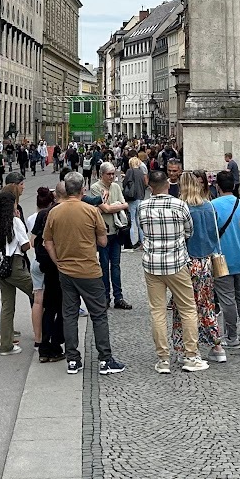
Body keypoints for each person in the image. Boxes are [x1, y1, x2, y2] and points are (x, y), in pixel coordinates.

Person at [43, 171, 124, 375]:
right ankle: (105, 359)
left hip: (66, 271)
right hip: (89, 269)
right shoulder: (90, 210)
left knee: (69, 314)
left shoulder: (54, 212)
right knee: (98, 314)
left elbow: (47, 242)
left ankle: (72, 359)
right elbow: (103, 241)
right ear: (82, 190)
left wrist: (57, 261)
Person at [137, 168, 208, 373]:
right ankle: (191, 355)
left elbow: (142, 229)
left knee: (157, 311)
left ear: (150, 186)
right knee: (187, 309)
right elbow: (189, 231)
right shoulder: (180, 205)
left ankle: (163, 359)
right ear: (168, 185)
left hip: (152, 264)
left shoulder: (143, 207)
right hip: (176, 262)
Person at [173, 171, 224, 365]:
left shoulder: (183, 208)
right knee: (207, 305)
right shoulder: (209, 207)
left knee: (183, 308)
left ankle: (182, 347)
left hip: (186, 261)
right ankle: (216, 345)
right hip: (207, 261)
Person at [0, 185, 34, 356]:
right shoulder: (15, 221)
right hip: (15, 264)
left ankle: (5, 344)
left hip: (1, 266)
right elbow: (25, 245)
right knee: (38, 295)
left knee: (7, 306)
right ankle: (44, 334)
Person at [211, 170, 240, 349]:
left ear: (217, 186)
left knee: (226, 299)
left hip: (221, 259)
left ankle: (231, 336)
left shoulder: (212, 206)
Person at [28, 187, 65, 362]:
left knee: (49, 307)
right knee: (64, 307)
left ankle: (44, 346)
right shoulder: (63, 213)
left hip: (46, 265)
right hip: (61, 265)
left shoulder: (44, 214)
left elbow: (34, 240)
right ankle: (56, 345)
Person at [90, 164, 131, 309]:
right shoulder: (96, 187)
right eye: (109, 174)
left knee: (115, 266)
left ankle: (118, 297)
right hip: (103, 232)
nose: (112, 177)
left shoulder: (116, 187)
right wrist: (116, 206)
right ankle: (105, 297)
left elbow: (124, 205)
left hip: (117, 230)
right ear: (102, 174)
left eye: (113, 174)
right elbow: (104, 208)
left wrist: (113, 206)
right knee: (103, 266)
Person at [121, 156, 147, 248]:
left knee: (132, 221)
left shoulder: (129, 171)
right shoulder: (141, 172)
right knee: (139, 221)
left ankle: (132, 242)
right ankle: (142, 241)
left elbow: (125, 184)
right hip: (140, 197)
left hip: (132, 198)